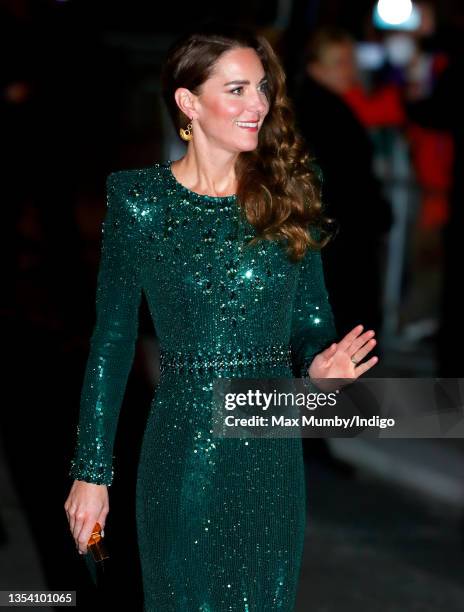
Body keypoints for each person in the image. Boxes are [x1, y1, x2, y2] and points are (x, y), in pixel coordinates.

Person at [64, 22, 379, 611]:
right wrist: (92, 471)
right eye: (236, 90)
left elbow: (312, 320)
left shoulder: (291, 191)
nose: (257, 104)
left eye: (261, 89)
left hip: (270, 448)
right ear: (188, 102)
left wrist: (320, 372)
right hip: (182, 448)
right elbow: (111, 341)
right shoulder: (140, 200)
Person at [293, 26, 393, 342]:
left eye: (351, 60)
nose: (351, 69)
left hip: (334, 234)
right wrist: (375, 212)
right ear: (317, 66)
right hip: (338, 236)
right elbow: (347, 179)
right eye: (341, 61)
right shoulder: (324, 111)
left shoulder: (322, 105)